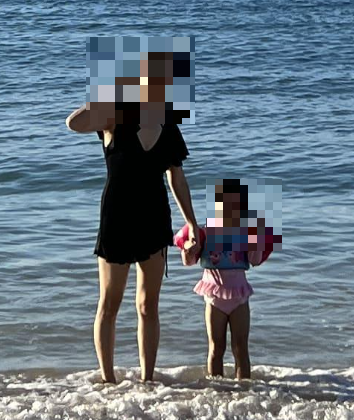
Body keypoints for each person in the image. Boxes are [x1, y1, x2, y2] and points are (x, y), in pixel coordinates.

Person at [66, 40, 198, 385]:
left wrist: (192, 222)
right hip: (117, 217)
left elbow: (177, 178)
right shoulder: (113, 116)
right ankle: (108, 382)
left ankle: (148, 380)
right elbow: (74, 123)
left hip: (154, 217)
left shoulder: (168, 124)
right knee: (109, 304)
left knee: (147, 306)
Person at [176, 176, 278, 382]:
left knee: (241, 347)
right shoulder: (204, 232)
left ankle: (245, 391)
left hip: (239, 296)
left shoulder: (244, 234)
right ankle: (216, 391)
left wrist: (256, 241)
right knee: (216, 347)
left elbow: (255, 261)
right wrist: (188, 248)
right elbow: (189, 261)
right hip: (214, 297)